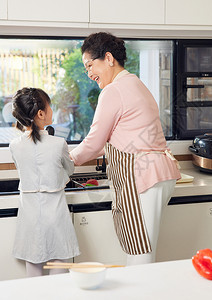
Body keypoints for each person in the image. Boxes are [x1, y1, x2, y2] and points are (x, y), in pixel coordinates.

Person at [70, 32, 181, 265]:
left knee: (139, 254)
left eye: (91, 65)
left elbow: (94, 142)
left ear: (108, 58)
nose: (89, 73)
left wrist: (66, 160)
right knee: (142, 250)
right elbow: (119, 138)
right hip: (156, 175)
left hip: (141, 176)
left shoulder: (113, 91)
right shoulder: (135, 83)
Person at [10, 87, 80, 277]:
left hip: (29, 214)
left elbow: (22, 167)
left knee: (33, 262)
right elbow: (69, 169)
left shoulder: (14, 146)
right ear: (41, 114)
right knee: (59, 260)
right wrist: (60, 179)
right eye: (50, 107)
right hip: (55, 213)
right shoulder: (58, 144)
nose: (52, 110)